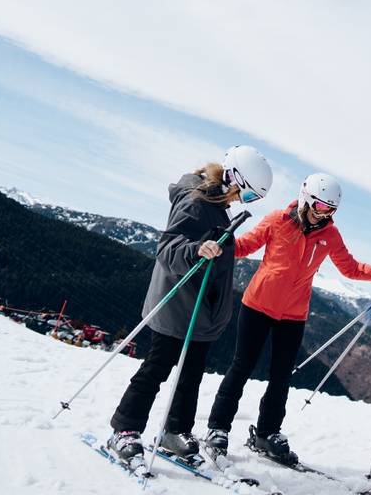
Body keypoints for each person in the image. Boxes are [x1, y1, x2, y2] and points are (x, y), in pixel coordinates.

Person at [203, 173, 371, 465]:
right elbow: (245, 246)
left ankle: (267, 432)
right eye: (321, 207)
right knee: (241, 367)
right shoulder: (277, 220)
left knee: (281, 376)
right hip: (257, 305)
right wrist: (222, 242)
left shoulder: (329, 235)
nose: (325, 215)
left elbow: (350, 268)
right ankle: (218, 428)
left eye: (331, 211)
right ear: (307, 199)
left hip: (293, 315)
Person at [107, 146, 273, 464]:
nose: (243, 201)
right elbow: (168, 246)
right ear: (232, 178)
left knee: (191, 374)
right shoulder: (196, 200)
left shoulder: (217, 202)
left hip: (200, 310)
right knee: (157, 367)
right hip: (179, 303)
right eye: (248, 195)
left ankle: (175, 431)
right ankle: (124, 429)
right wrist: (196, 249)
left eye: (251, 200)